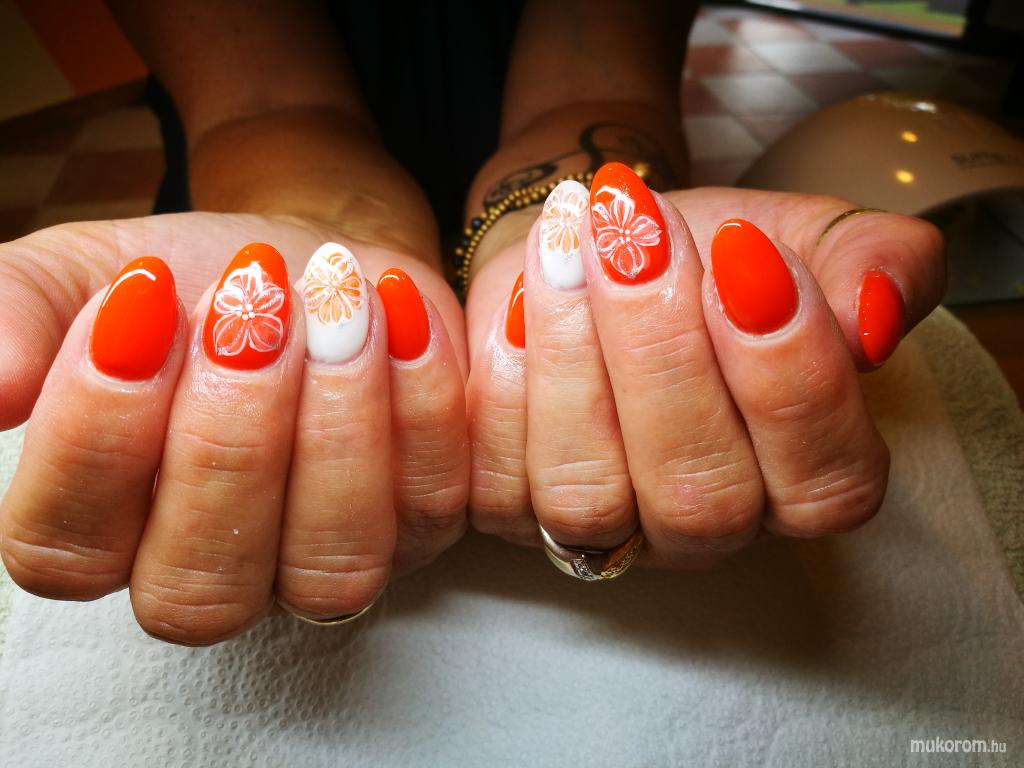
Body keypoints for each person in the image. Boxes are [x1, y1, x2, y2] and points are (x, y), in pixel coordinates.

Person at [0, 1, 944, 644]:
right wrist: (324, 232)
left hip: (538, 197)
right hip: (263, 204)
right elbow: (263, 109)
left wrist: (557, 228)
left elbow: (598, 90)